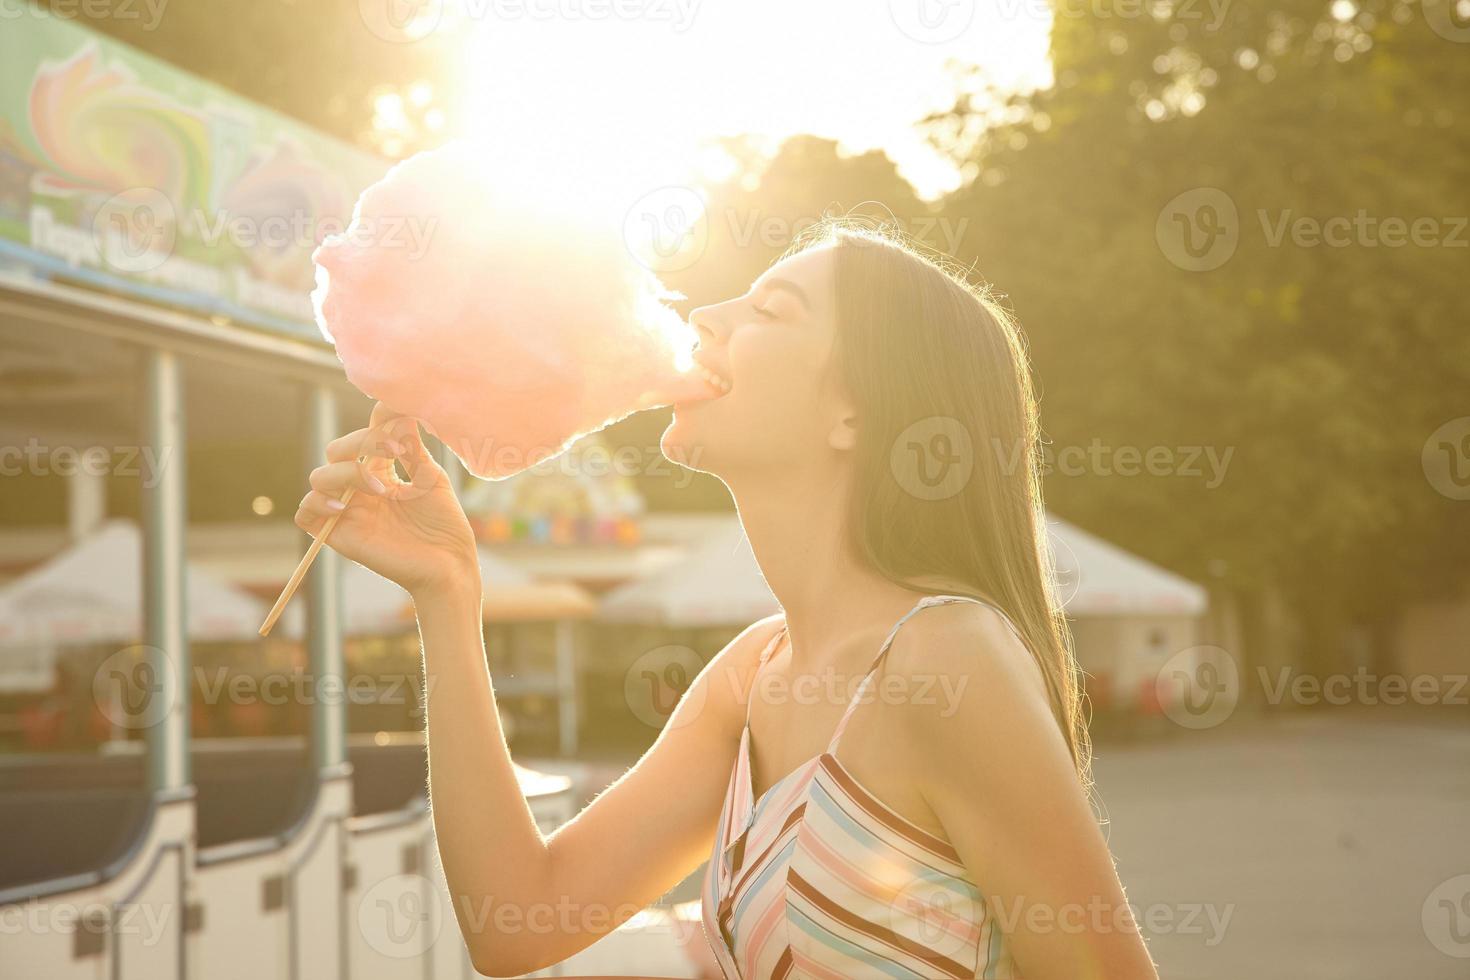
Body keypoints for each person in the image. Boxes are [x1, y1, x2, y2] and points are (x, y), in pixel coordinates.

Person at [296, 220, 1159, 978]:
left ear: (855, 414)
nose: (705, 318)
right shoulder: (755, 672)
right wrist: (448, 592)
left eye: (771, 311)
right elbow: (515, 920)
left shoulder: (946, 659)